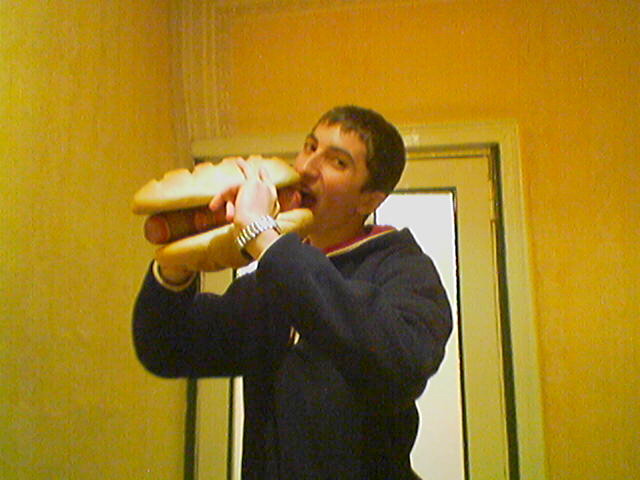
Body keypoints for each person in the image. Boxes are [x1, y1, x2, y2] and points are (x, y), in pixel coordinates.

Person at [133, 105, 452, 479]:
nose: (307, 167)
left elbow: (402, 364)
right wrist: (179, 264)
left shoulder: (403, 269)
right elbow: (167, 349)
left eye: (337, 162)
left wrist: (262, 237)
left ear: (369, 200)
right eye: (310, 147)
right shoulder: (271, 282)